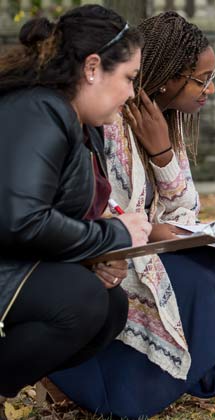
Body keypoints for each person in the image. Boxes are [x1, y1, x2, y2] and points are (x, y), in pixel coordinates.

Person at [48, 11, 215, 418]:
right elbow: (102, 207)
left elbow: (187, 209)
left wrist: (163, 153)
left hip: (145, 246)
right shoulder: (110, 124)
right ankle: (109, 386)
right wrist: (152, 230)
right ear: (169, 77)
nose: (211, 88)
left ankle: (179, 377)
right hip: (105, 256)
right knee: (200, 278)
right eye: (201, 78)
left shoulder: (163, 124)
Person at [0, 4, 151, 403]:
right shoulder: (38, 110)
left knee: (109, 305)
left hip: (17, 262)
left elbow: (52, 218)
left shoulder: (79, 123)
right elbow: (20, 221)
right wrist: (112, 233)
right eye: (129, 78)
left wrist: (98, 252)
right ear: (92, 67)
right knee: (81, 300)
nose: (132, 93)